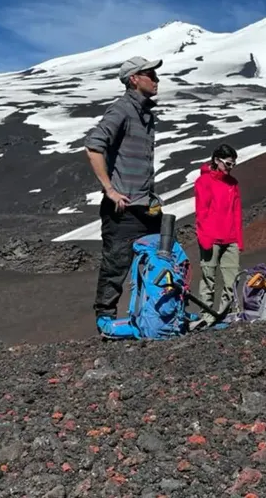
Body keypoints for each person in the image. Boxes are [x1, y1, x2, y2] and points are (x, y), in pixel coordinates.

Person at [83, 56, 165, 329]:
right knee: (116, 265)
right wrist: (109, 190)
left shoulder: (146, 114)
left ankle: (151, 316)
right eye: (150, 74)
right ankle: (105, 321)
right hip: (123, 207)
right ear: (134, 79)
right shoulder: (121, 109)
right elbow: (94, 146)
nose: (156, 79)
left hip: (146, 206)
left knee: (154, 263)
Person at [193, 144, 243, 324]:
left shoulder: (233, 184)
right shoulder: (203, 182)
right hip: (211, 237)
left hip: (230, 238)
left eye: (233, 165)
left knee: (232, 280)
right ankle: (206, 316)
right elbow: (201, 212)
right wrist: (204, 237)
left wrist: (239, 240)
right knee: (209, 279)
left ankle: (222, 314)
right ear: (216, 160)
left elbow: (237, 212)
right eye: (228, 164)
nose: (230, 168)